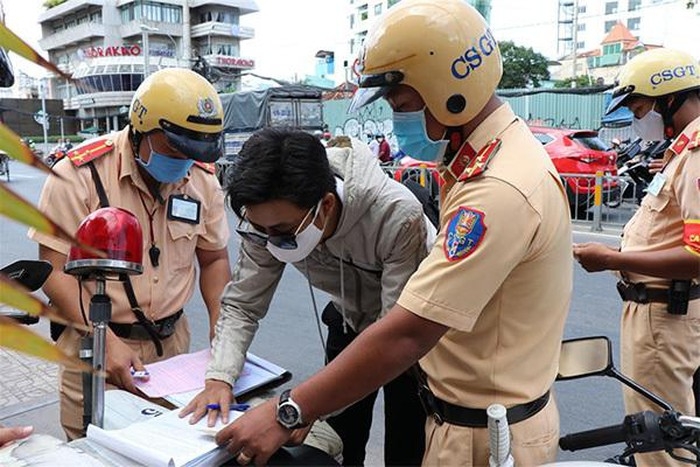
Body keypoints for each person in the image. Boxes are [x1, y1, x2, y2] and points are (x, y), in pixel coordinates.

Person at [212, 1, 572, 465]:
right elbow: (246, 300)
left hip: (481, 434)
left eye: (402, 105)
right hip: (468, 413)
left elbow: (404, 335)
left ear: (450, 91)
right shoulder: (487, 163)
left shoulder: (496, 189)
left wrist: (288, 411)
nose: (398, 119)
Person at [180, 127, 435, 466]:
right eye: (261, 229)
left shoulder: (395, 215)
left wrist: (300, 407)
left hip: (409, 335)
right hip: (348, 319)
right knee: (339, 439)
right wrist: (219, 378)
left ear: (326, 205)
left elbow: (392, 339)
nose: (271, 240)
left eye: (282, 231)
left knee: (408, 440)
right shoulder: (269, 223)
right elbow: (242, 305)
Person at [28, 68, 231, 440]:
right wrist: (103, 338)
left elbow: (214, 259)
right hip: (95, 348)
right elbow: (51, 270)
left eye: (195, 151)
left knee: (170, 447)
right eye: (175, 148)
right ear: (141, 128)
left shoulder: (203, 181)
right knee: (96, 450)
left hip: (173, 354)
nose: (184, 160)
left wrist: (224, 331)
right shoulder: (78, 176)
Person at [574, 47, 700, 467]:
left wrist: (611, 259)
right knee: (657, 432)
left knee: (660, 441)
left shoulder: (697, 152)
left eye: (639, 106)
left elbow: (697, 255)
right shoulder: (680, 151)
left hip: (665, 316)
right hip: (655, 311)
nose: (635, 118)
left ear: (670, 99)